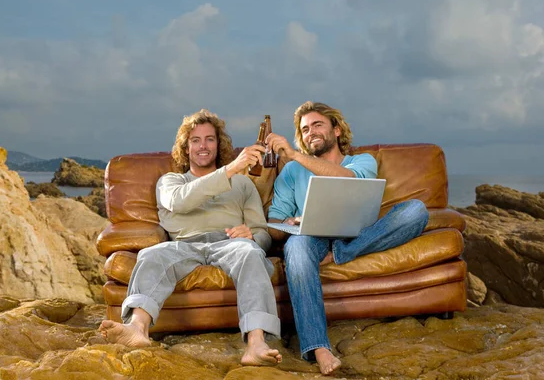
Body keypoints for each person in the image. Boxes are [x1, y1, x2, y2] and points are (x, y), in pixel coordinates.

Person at [99, 109, 282, 366]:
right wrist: (231, 170)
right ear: (186, 148)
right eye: (195, 140)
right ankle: (137, 329)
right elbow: (181, 202)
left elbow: (263, 234)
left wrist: (253, 235)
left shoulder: (243, 185)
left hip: (230, 243)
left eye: (210, 139)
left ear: (219, 145)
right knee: (151, 254)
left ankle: (256, 344)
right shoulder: (170, 181)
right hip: (183, 244)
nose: (203, 146)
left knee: (251, 252)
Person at [266, 101, 429, 375]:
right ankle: (319, 347)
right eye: (304, 130)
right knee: (295, 246)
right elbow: (272, 225)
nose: (310, 133)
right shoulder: (291, 173)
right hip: (312, 236)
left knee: (417, 211)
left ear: (337, 130)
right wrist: (289, 221)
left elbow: (349, 180)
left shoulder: (361, 161)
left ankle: (343, 251)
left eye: (317, 125)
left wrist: (294, 154)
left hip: (359, 233)